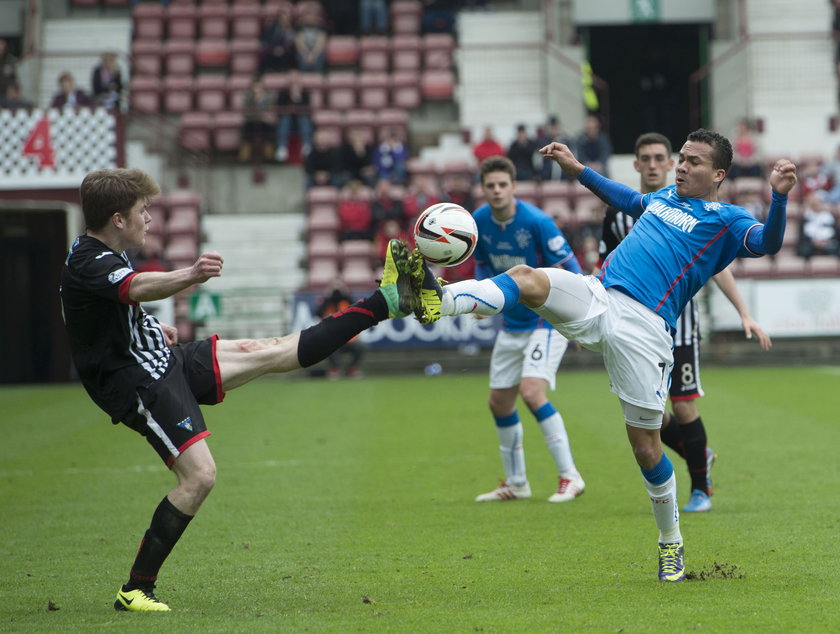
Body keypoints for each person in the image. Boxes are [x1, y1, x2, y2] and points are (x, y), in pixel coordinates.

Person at [410, 129, 797, 581]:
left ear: (718, 174)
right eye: (683, 157)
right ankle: (438, 298)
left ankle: (670, 543)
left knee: (646, 448)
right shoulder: (664, 198)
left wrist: (779, 197)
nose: (681, 166)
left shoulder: (728, 219)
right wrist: (576, 170)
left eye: (693, 162)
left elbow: (768, 244)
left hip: (645, 330)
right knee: (526, 277)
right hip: (599, 295)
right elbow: (623, 196)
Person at [60, 167, 425, 611]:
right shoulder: (88, 260)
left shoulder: (105, 251)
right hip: (139, 382)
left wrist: (153, 325)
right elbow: (132, 288)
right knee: (199, 477)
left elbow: (109, 312)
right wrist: (191, 274)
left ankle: (386, 302)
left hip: (158, 358)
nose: (149, 218)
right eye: (143, 211)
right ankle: (136, 588)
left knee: (268, 350)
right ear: (118, 219)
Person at [598, 132, 772, 514]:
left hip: (680, 323)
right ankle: (700, 454)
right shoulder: (620, 211)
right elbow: (607, 261)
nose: (658, 164)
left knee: (684, 406)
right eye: (649, 158)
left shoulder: (691, 205)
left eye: (663, 156)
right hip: (630, 319)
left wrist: (743, 311)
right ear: (638, 164)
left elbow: (717, 264)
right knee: (653, 417)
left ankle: (700, 488)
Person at [469, 156, 586, 504]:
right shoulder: (478, 222)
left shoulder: (537, 221)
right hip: (512, 325)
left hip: (544, 321)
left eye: (503, 184)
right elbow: (480, 265)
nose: (497, 191)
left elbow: (570, 266)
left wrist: (578, 318)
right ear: (484, 189)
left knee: (532, 392)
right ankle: (517, 482)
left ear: (514, 187)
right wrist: (478, 297)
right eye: (490, 185)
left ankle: (571, 476)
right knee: (499, 402)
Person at [315, 280, 366, 379]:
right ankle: (335, 369)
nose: (336, 293)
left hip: (348, 338)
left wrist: (345, 293)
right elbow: (317, 313)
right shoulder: (326, 302)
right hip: (331, 337)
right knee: (327, 346)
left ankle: (351, 369)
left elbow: (358, 307)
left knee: (360, 346)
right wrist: (328, 296)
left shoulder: (347, 301)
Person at [275, 70, 313, 162]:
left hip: (301, 122)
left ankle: (307, 146)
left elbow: (308, 110)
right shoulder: (282, 93)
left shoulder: (305, 93)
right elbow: (279, 110)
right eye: (291, 78)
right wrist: (291, 99)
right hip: (287, 123)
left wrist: (297, 98)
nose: (294, 80)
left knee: (303, 118)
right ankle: (282, 147)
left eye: (296, 78)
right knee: (285, 119)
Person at [239, 78, 276, 163]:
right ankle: (244, 157)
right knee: (246, 129)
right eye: (255, 87)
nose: (257, 89)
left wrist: (261, 115)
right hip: (251, 121)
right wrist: (255, 103)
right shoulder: (247, 98)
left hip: (265, 123)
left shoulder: (269, 98)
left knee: (269, 129)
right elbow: (246, 114)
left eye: (259, 87)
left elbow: (270, 113)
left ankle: (269, 156)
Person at [258, 6, 296, 75]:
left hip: (285, 53)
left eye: (287, 15)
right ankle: (262, 75)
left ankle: (288, 72)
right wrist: (274, 49)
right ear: (279, 16)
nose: (286, 17)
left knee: (291, 55)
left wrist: (283, 49)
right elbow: (267, 41)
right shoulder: (271, 27)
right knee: (265, 54)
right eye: (284, 15)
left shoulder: (291, 29)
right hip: (272, 51)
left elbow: (291, 44)